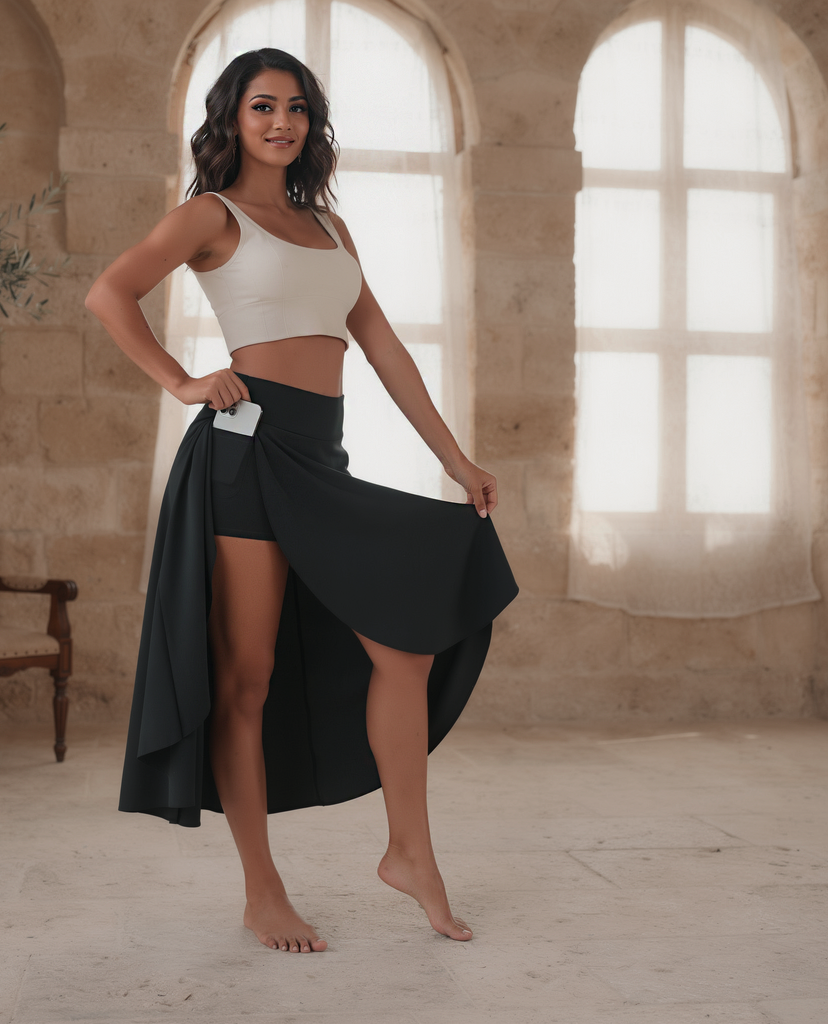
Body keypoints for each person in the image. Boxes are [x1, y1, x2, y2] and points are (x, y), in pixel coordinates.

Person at [85, 48, 517, 955]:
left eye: (295, 107)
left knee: (403, 649)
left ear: (311, 123)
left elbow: (382, 346)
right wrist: (182, 381)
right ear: (232, 119)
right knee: (246, 677)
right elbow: (109, 292)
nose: (281, 122)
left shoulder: (329, 226)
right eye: (261, 106)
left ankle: (409, 854)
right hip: (246, 455)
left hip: (321, 460)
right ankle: (263, 891)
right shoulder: (211, 214)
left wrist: (455, 458)